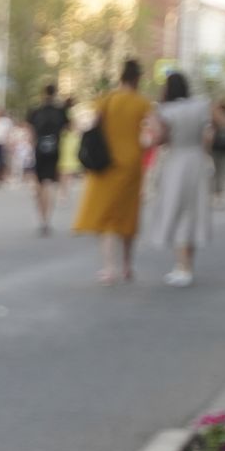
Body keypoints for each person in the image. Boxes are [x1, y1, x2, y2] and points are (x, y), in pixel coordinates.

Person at [72, 60, 156, 285]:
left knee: (107, 217)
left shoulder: (107, 100)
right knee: (128, 216)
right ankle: (128, 266)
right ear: (138, 78)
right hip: (131, 165)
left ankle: (109, 268)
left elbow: (93, 125)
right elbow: (153, 134)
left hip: (106, 164)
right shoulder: (142, 103)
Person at [148, 72, 214, 287]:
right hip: (197, 159)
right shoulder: (200, 106)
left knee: (176, 210)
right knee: (193, 211)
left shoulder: (165, 110)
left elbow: (159, 139)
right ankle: (188, 265)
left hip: (176, 160)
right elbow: (208, 134)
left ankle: (181, 266)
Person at [25, 83, 70, 235]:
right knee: (48, 184)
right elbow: (67, 127)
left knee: (40, 183)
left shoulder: (36, 110)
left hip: (39, 150)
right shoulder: (60, 111)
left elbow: (30, 131)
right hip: (55, 150)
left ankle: (42, 216)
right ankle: (46, 218)